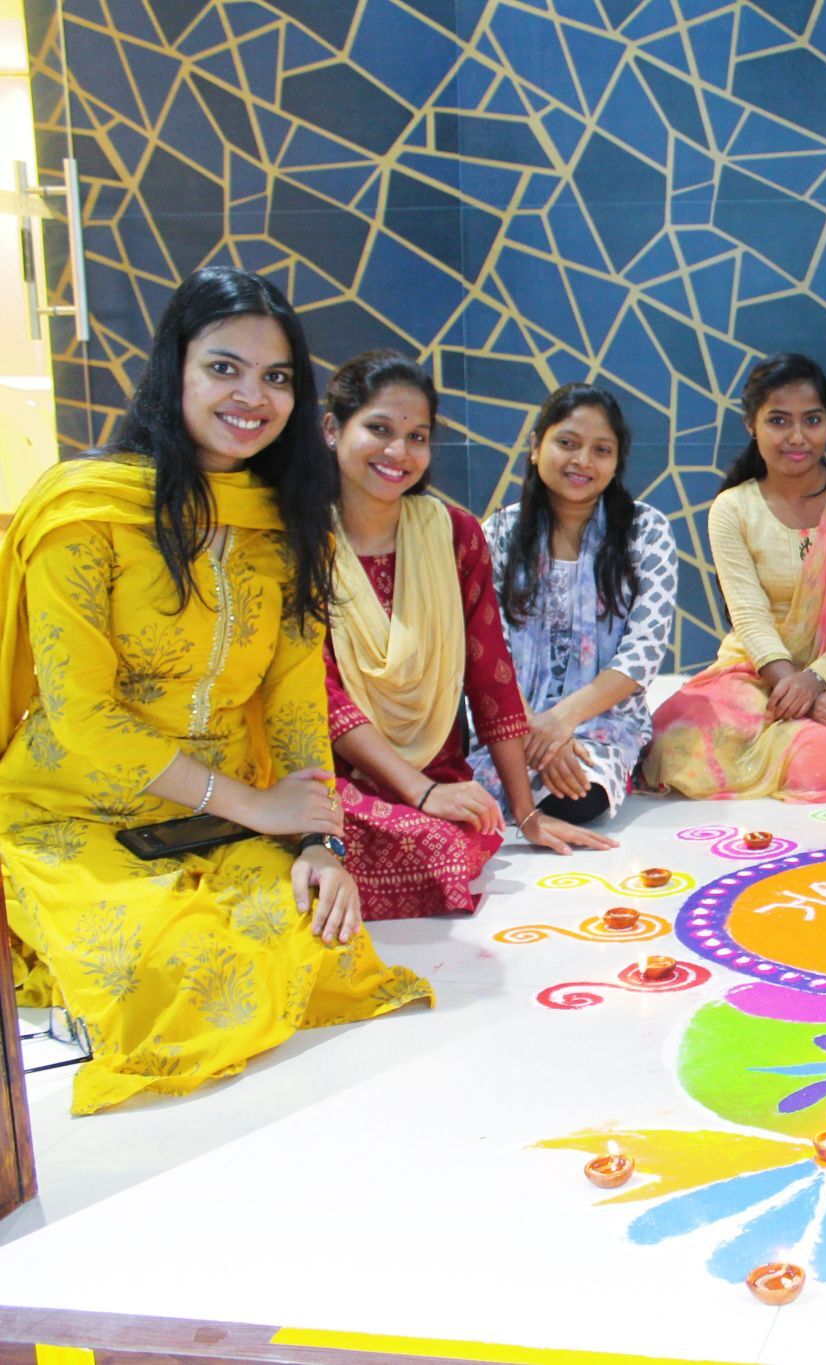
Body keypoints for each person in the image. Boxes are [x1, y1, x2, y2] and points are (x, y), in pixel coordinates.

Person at [0, 266, 430, 1114]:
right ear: (177, 369)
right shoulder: (85, 512)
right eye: (225, 367)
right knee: (185, 974)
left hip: (219, 815)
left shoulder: (284, 521)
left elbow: (295, 699)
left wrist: (318, 841)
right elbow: (85, 718)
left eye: (277, 378)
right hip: (75, 808)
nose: (252, 397)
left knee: (319, 941)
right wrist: (260, 808)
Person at [322, 354, 608, 923]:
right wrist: (419, 796)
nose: (398, 453)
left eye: (417, 436)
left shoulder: (452, 534)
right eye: (378, 429)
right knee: (398, 852)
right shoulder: (296, 538)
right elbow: (320, 694)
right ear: (333, 429)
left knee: (452, 848)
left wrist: (525, 814)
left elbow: (490, 675)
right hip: (331, 776)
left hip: (435, 766)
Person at [642, 355, 826, 801]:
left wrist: (817, 680)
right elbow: (749, 616)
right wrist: (795, 688)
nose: (797, 437)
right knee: (669, 737)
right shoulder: (733, 508)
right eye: (779, 421)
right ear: (751, 425)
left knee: (817, 765)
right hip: (759, 673)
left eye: (812, 420)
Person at [476, 384, 672, 828]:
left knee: (578, 797)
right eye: (567, 443)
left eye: (601, 450)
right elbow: (489, 648)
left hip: (600, 721)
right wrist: (530, 729)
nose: (582, 461)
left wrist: (560, 722)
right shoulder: (500, 532)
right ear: (535, 447)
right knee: (477, 790)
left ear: (615, 462)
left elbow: (642, 655)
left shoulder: (647, 532)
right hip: (511, 718)